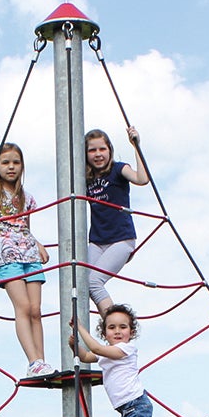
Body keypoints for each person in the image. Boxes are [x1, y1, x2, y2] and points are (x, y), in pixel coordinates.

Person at [0, 142, 51, 378]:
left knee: (36, 309)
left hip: (27, 250)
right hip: (7, 253)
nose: (11, 167)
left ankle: (42, 361)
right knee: (24, 307)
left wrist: (37, 244)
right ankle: (33, 360)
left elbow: (25, 227)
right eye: (5, 162)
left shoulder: (26, 198)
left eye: (16, 163)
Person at [83, 126, 149, 313]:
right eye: (92, 150)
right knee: (82, 282)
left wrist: (136, 146)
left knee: (94, 282)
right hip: (97, 241)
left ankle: (114, 324)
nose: (98, 154)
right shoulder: (85, 178)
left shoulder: (118, 169)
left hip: (120, 239)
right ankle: (88, 325)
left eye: (102, 149)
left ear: (110, 150)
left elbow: (142, 179)